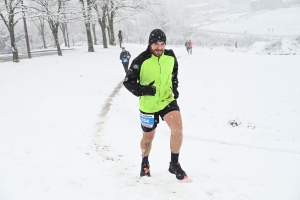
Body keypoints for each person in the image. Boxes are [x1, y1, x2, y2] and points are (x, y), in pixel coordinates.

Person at [123, 29, 188, 180]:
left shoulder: (170, 56)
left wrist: (175, 87)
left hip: (166, 100)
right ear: (150, 44)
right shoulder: (140, 60)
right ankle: (144, 162)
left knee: (178, 128)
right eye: (156, 44)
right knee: (147, 139)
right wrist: (143, 90)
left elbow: (174, 73)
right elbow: (128, 82)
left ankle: (174, 163)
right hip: (148, 105)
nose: (159, 47)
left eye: (162, 44)